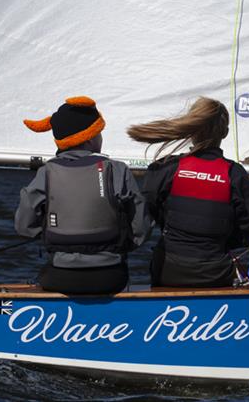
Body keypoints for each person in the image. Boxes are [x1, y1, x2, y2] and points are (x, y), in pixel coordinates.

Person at [15, 96, 149, 294]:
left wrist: (55, 236)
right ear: (91, 138)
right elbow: (141, 226)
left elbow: (24, 226)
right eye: (100, 133)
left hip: (61, 275)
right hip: (110, 276)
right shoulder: (117, 170)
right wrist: (119, 248)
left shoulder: (46, 173)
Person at [127, 97, 249, 288]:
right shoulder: (235, 174)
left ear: (191, 131)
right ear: (225, 133)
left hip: (169, 271)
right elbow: (245, 233)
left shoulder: (166, 168)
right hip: (215, 273)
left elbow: (147, 213)